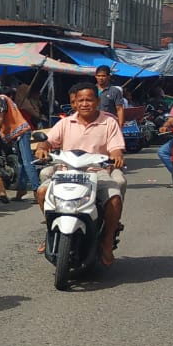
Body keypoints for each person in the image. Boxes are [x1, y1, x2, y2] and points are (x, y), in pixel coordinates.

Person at [35, 80, 126, 265]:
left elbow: (116, 148)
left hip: (97, 172)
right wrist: (42, 148)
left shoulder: (109, 121)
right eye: (81, 100)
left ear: (97, 101)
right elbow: (48, 141)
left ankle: (107, 242)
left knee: (115, 198)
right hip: (66, 171)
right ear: (74, 103)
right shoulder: (65, 122)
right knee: (42, 192)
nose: (85, 104)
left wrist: (116, 155)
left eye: (89, 100)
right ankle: (51, 231)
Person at [0, 77, 38, 201]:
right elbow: (0, 120)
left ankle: (37, 190)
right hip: (15, 135)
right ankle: (21, 189)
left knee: (27, 163)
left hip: (21, 133)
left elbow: (2, 119)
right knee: (21, 163)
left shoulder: (1, 99)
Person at [94, 65, 125, 129]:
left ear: (109, 77)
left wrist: (120, 125)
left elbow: (119, 109)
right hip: (93, 124)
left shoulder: (115, 91)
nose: (101, 78)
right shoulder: (91, 90)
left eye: (103, 76)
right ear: (95, 76)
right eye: (98, 76)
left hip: (109, 125)